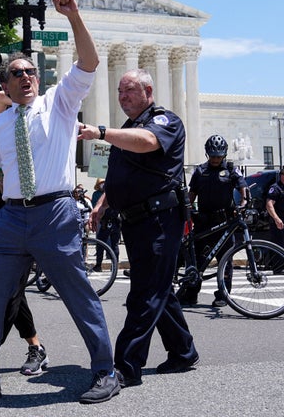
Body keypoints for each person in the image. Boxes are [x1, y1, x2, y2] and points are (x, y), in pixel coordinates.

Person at [0, 0, 119, 406]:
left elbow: (89, 63)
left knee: (77, 293)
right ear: (3, 85)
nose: (26, 77)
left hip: (54, 213)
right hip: (10, 219)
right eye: (17, 73)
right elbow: (1, 174)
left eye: (31, 72)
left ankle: (105, 371)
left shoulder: (58, 103)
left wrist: (74, 18)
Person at [82, 68, 199, 390]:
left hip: (159, 220)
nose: (122, 97)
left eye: (129, 90)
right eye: (120, 91)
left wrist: (101, 132)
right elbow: (118, 171)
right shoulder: (128, 128)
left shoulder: (164, 121)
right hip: (135, 219)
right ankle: (183, 351)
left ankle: (126, 367)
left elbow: (148, 143)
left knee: (145, 293)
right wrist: (102, 203)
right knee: (158, 289)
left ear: (148, 90)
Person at [0, 79, 48, 376]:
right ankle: (35, 346)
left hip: (17, 218)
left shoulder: (28, 148)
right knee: (9, 288)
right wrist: (13, 99)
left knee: (9, 288)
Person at [181, 134, 247, 306]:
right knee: (197, 259)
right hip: (204, 221)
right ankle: (191, 293)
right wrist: (187, 206)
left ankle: (222, 295)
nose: (216, 159)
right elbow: (192, 193)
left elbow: (242, 186)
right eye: (212, 156)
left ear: (224, 154)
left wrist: (244, 201)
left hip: (225, 222)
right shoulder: (200, 171)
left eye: (218, 156)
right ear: (207, 154)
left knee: (225, 260)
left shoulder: (231, 170)